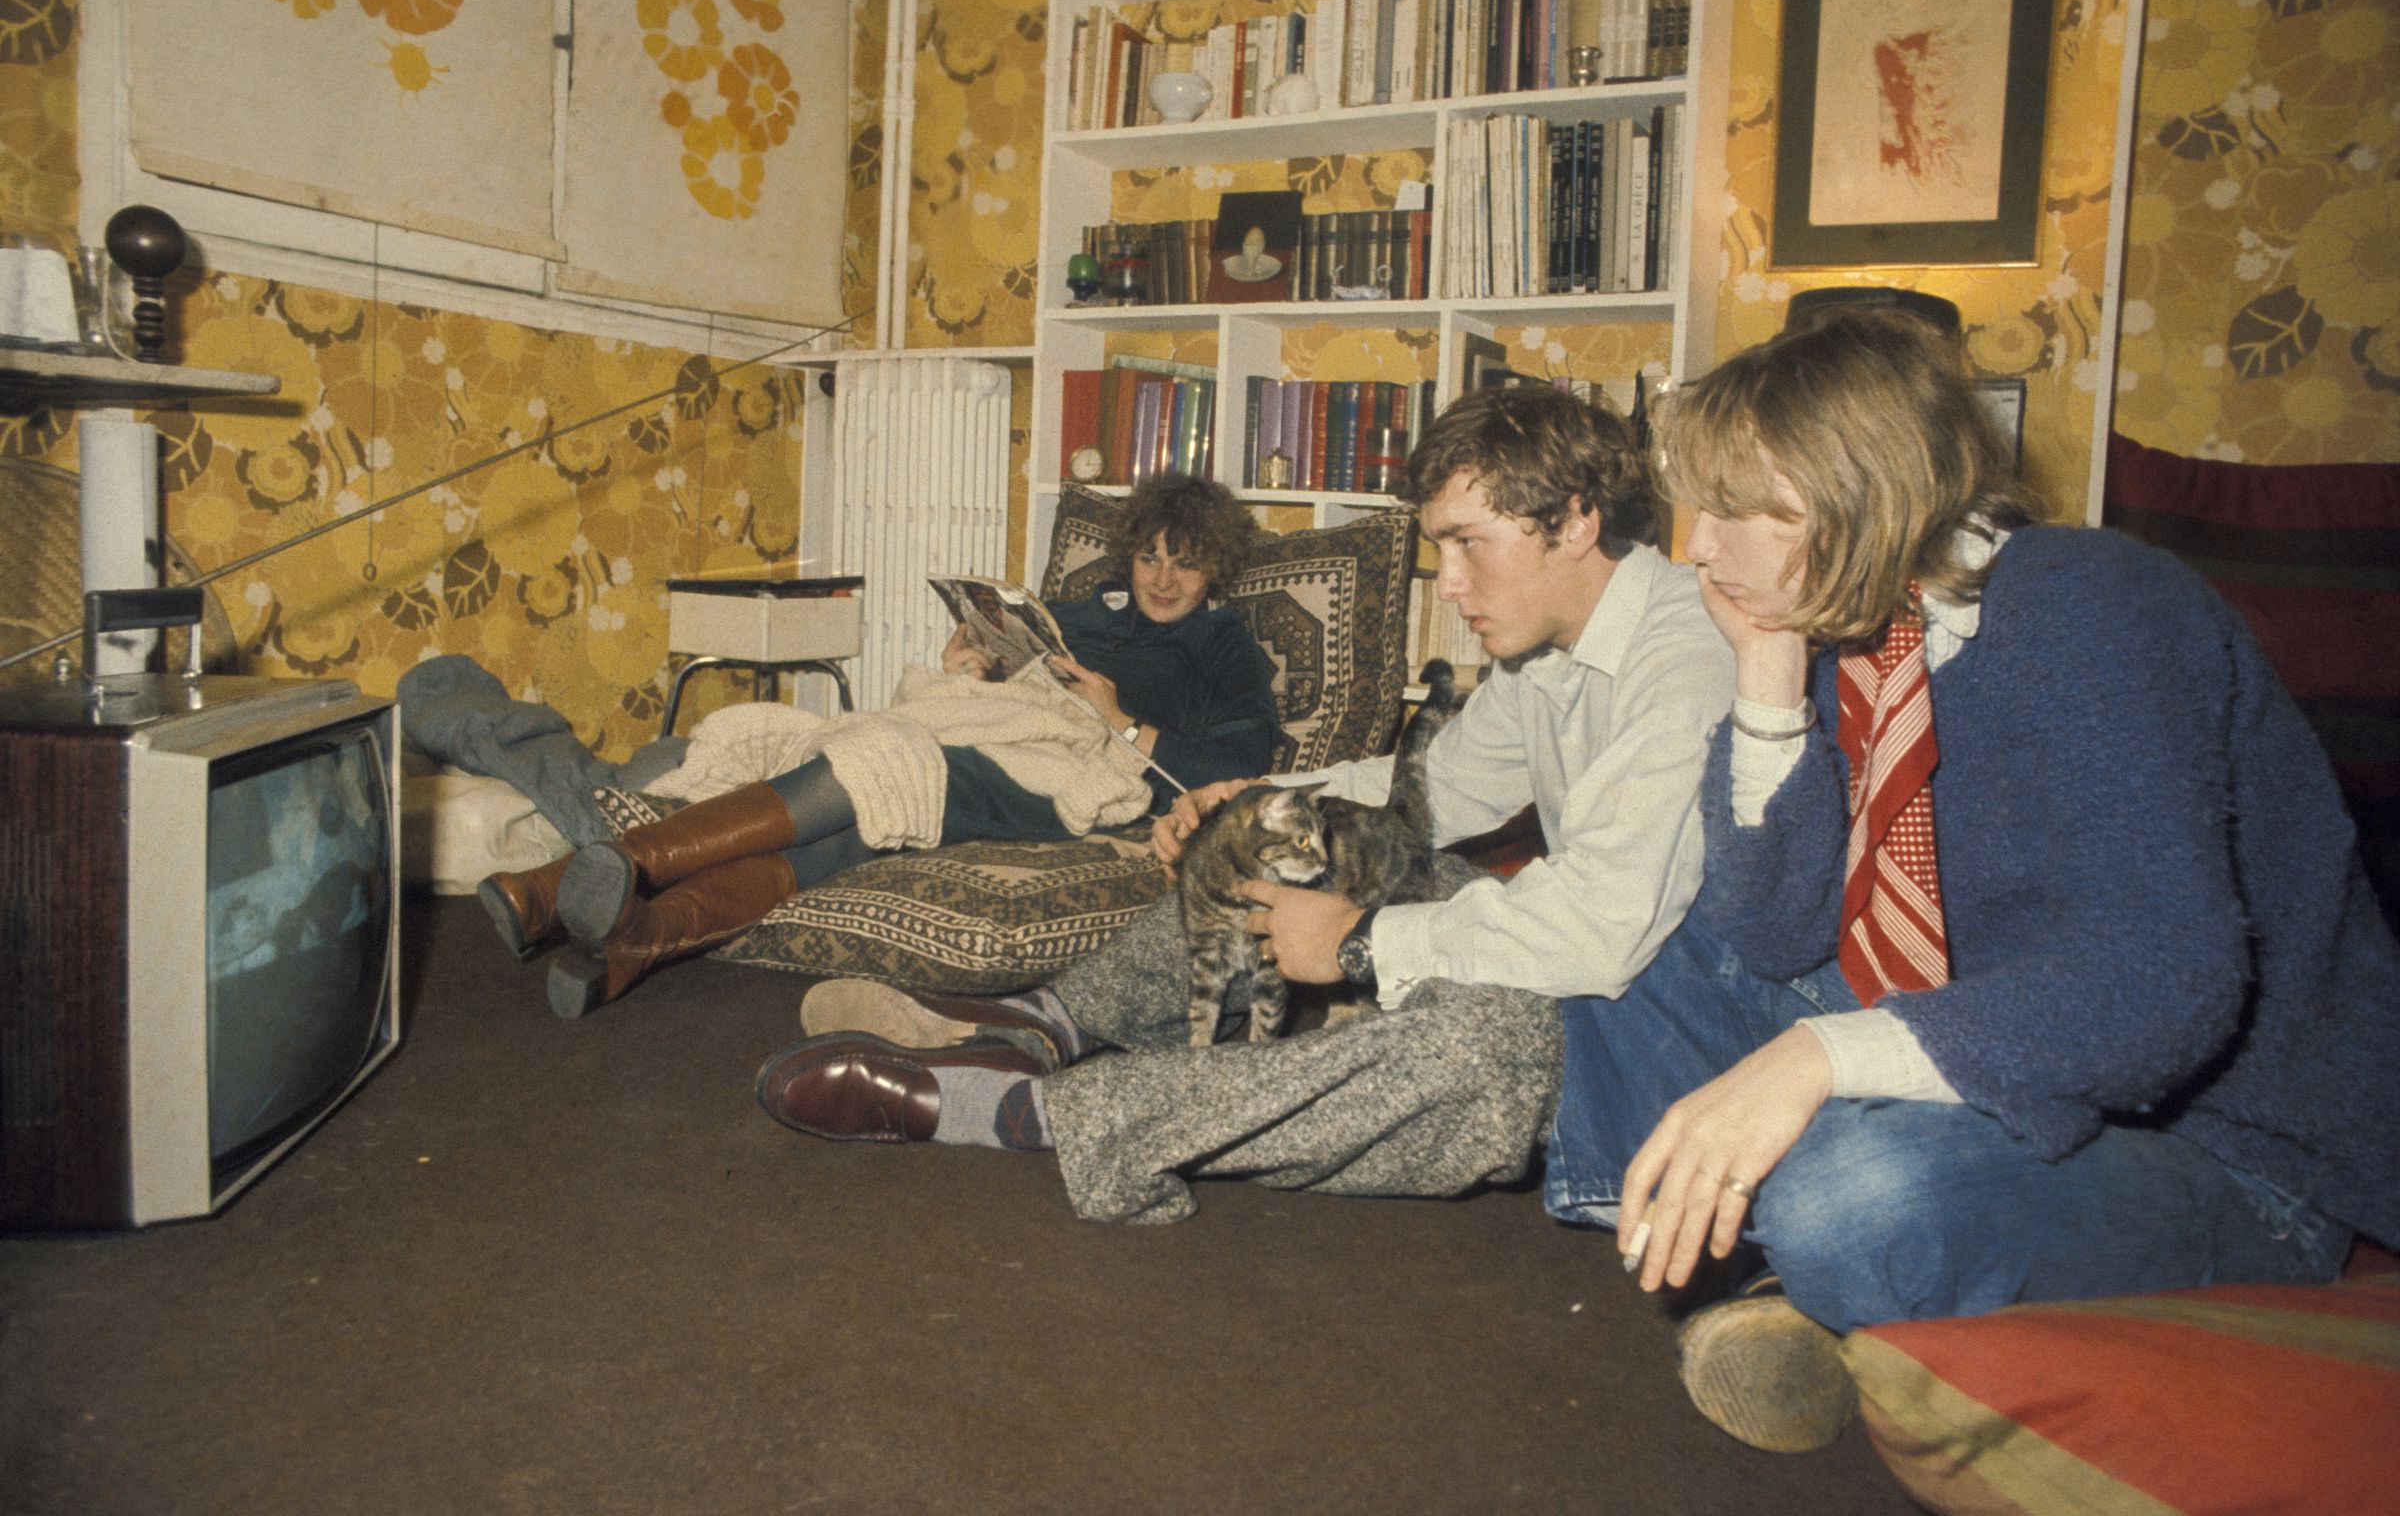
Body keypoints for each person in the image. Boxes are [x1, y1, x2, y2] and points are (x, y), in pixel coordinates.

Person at [1549, 307, 2400, 1453]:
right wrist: (1763, 677)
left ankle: (1786, 1276)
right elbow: (1770, 929)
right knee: (1621, 941)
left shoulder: (2094, 603)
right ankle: (1728, 1255)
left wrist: (1816, 1058)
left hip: (2228, 1140)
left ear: (1866, 490)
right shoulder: (1851, 627)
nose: (1699, 545)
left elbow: (2164, 987)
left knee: (1850, 1198)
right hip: (1995, 1031)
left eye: (1740, 509)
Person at [754, 386, 1737, 1224]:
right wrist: (1250, 798)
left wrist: (1361, 940)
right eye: (1444, 552)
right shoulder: (1551, 646)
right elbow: (1429, 796)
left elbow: (1608, 926)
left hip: (1651, 1031)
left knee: (1482, 1047)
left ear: (1574, 521)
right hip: (1576, 953)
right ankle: (1045, 1018)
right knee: (1285, 831)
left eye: (1471, 547)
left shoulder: (1682, 655)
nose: (1455, 589)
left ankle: (1029, 1113)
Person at [477, 472, 1280, 1016]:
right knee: (858, 829)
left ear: (1217, 568)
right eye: (1150, 558)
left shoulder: (1222, 647)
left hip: (1070, 771)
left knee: (878, 764)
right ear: (1131, 553)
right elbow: (1012, 666)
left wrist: (1121, 720)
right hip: (999, 733)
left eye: (1186, 564)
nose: (1164, 580)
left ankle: (569, 883)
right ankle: (636, 945)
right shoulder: (1081, 608)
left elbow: (1238, 767)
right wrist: (965, 666)